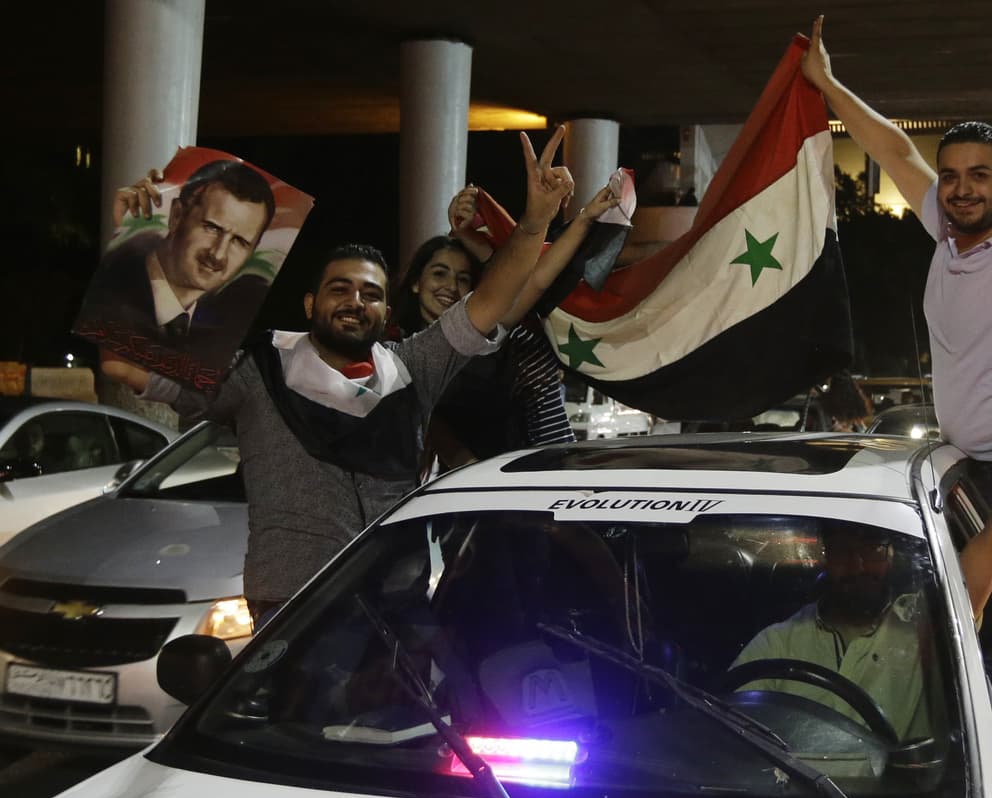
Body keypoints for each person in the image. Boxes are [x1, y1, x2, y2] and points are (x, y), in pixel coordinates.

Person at [102, 129, 575, 626]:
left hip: (398, 609)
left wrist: (535, 221)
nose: (355, 302)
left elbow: (492, 301)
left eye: (370, 293)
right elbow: (122, 364)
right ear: (310, 304)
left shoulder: (413, 366)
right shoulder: (255, 370)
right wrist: (136, 243)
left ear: (387, 308)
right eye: (339, 289)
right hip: (293, 613)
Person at [801, 15, 992, 610]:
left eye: (979, 176)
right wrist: (828, 83)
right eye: (950, 177)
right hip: (977, 465)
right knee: (946, 614)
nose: (962, 189)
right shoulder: (946, 226)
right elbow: (893, 147)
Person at [733, 331, 992, 737]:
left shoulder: (926, 624)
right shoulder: (777, 645)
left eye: (873, 549)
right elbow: (734, 746)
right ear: (824, 554)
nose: (862, 565)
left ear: (892, 553)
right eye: (847, 552)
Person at [394, 182, 619, 472]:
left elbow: (534, 281)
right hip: (486, 490)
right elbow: (442, 439)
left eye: (463, 278)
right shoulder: (401, 355)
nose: (450, 286)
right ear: (415, 282)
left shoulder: (481, 334)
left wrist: (585, 218)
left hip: (550, 467)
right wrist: (490, 483)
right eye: (439, 273)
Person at [80, 160, 276, 373]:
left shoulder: (228, 332)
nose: (218, 253)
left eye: (239, 241)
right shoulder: (113, 286)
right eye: (211, 227)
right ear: (176, 216)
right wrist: (119, 228)